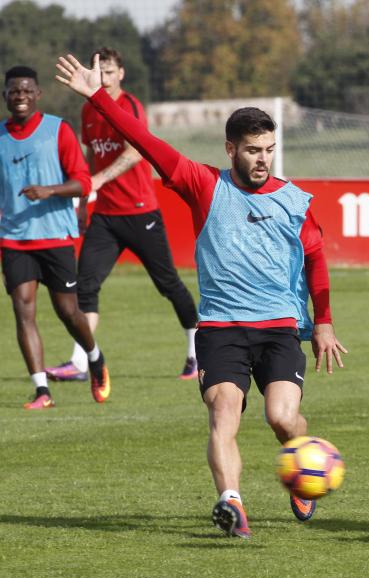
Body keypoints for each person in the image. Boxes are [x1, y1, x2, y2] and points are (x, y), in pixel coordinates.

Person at [57, 53, 348, 538]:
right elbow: (146, 143)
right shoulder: (204, 184)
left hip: (278, 327)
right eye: (253, 150)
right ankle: (231, 502)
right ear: (231, 148)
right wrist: (98, 97)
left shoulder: (295, 202)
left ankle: (304, 469)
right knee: (223, 412)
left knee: (282, 417)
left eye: (269, 150)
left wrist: (323, 322)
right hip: (220, 328)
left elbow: (316, 260)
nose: (263, 159)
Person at [46, 47, 199, 383]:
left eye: (110, 70)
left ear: (121, 74)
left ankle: (196, 351)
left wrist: (98, 180)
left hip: (141, 212)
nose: (104, 77)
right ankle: (81, 362)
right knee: (84, 285)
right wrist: (86, 201)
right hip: (105, 216)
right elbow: (90, 158)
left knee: (168, 284)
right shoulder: (89, 110)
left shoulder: (129, 107)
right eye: (99, 70)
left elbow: (135, 153)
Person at [1, 66, 111, 409]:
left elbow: (84, 182)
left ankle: (94, 357)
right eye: (13, 91)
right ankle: (41, 390)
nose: (20, 97)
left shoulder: (57, 130)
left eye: (26, 91)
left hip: (54, 236)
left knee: (68, 311)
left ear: (38, 95)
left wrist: (49, 191)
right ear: (5, 96)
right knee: (23, 311)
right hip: (14, 240)